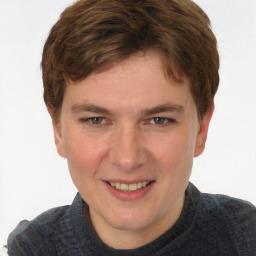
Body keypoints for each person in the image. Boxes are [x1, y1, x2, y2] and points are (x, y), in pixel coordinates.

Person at [7, 0, 256, 255]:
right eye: (96, 120)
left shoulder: (247, 238)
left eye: (159, 120)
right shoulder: (34, 248)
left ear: (202, 129)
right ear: (58, 130)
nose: (127, 159)